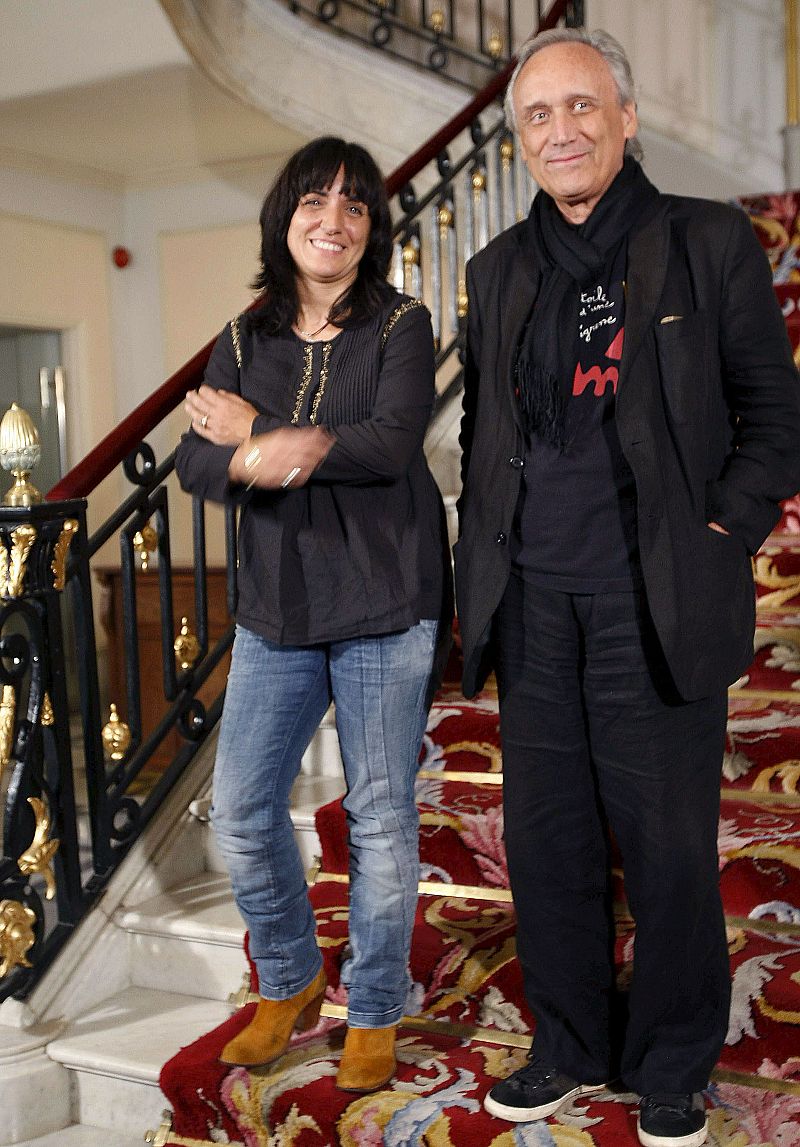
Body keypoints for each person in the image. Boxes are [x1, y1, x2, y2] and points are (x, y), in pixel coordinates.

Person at [455, 26, 800, 1147]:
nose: (560, 130)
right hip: (531, 600)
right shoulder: (495, 270)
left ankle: (671, 1060)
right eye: (537, 115)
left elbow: (773, 414)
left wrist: (718, 530)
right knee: (547, 837)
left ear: (626, 116)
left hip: (652, 597)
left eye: (580, 106)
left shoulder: (705, 240)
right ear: (520, 140)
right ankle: (564, 1043)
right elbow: (482, 433)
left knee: (665, 843)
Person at [175, 136, 451, 1094]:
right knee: (242, 809)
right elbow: (195, 459)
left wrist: (256, 434)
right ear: (284, 217)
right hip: (276, 606)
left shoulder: (402, 323)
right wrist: (264, 453)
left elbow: (389, 443)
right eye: (315, 202)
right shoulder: (244, 336)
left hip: (386, 598)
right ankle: (290, 978)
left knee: (379, 817)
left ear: (372, 228)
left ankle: (373, 1006)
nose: (334, 221)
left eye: (355, 206)